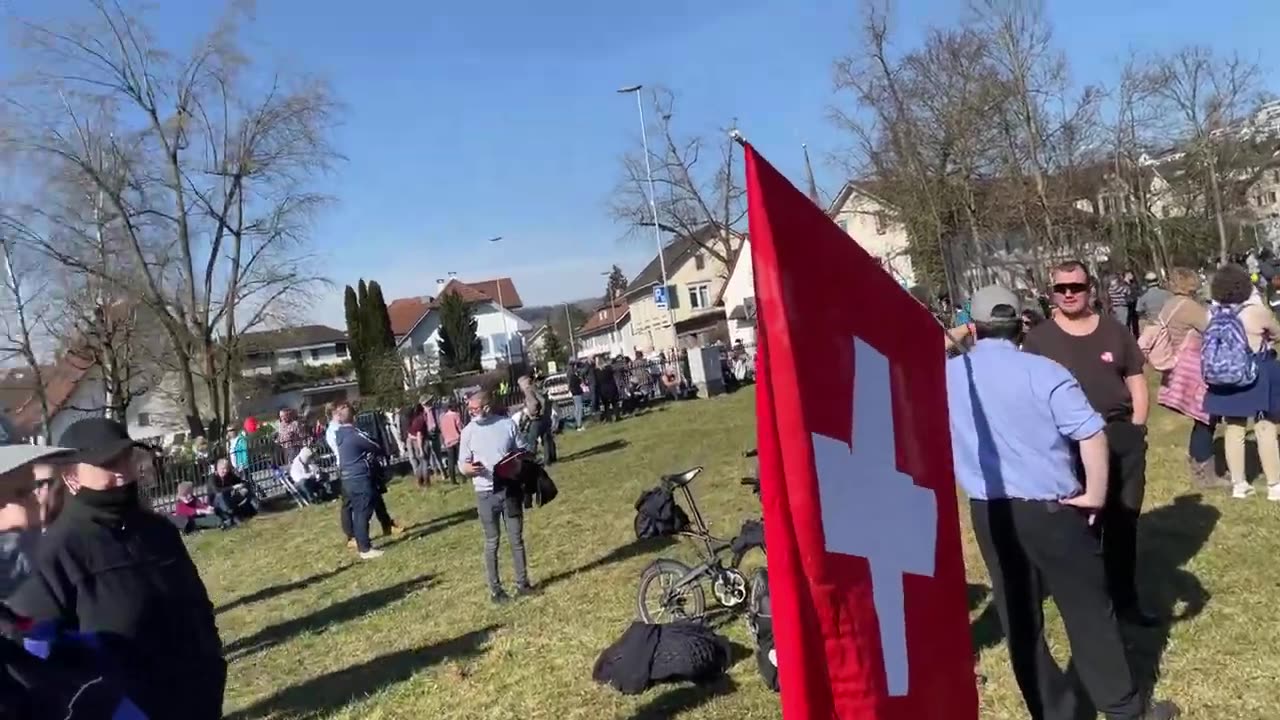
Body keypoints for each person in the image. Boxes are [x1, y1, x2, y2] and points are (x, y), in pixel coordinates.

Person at [945, 286, 1179, 720]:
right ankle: (1124, 709)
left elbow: (928, 347)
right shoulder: (1044, 372)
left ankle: (1054, 712)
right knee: (1087, 609)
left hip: (990, 511)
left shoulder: (950, 375)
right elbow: (1090, 433)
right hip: (1053, 509)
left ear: (974, 327)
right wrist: (1094, 493)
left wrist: (965, 330)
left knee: (1020, 618)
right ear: (1023, 324)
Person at [6, 418, 226, 720]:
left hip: (197, 701)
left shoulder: (159, 531)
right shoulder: (54, 553)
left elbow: (198, 605)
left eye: (125, 458)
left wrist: (212, 663)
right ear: (71, 475)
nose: (122, 473)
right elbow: (35, 660)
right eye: (107, 463)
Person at [1022, 260, 1157, 627]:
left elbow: (1136, 379)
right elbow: (1029, 396)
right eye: (1061, 288)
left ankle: (1126, 602)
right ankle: (1094, 611)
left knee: (1123, 524)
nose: (1068, 294)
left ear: (1091, 290)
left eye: (1076, 287)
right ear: (1050, 293)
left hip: (1120, 437)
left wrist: (1138, 428)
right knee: (1080, 530)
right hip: (1069, 446)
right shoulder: (1038, 340)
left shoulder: (1115, 332)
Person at [1202, 263, 1280, 502]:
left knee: (1234, 429)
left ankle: (1239, 483)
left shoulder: (1212, 314)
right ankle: (1274, 485)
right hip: (1255, 372)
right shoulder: (1255, 311)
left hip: (1224, 377)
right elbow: (1276, 333)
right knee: (1264, 427)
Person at [1152, 268, 1229, 490]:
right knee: (1206, 418)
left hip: (1178, 366)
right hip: (1194, 368)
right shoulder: (1189, 307)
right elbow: (1213, 329)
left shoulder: (1169, 305)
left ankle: (1199, 468)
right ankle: (1205, 473)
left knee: (1202, 419)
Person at [458, 390, 534, 603]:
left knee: (516, 539)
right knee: (492, 542)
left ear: (487, 407)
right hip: (485, 493)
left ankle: (523, 584)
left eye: (475, 408)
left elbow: (523, 449)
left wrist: (517, 463)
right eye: (469, 409)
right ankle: (496, 590)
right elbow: (462, 463)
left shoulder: (507, 424)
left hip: (509, 490)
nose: (471, 412)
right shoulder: (468, 432)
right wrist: (468, 469)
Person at [334, 403, 392, 560]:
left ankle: (362, 544)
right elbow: (375, 445)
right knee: (363, 512)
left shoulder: (340, 434)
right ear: (354, 417)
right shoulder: (354, 434)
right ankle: (365, 548)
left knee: (358, 511)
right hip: (359, 477)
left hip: (347, 478)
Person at [519, 375, 556, 465]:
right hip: (545, 417)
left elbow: (534, 403)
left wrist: (531, 413)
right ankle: (549, 459)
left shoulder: (528, 390)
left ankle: (531, 461)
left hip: (536, 418)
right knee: (546, 438)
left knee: (532, 440)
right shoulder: (535, 387)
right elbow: (543, 400)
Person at [207, 458, 256, 524]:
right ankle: (233, 516)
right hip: (216, 504)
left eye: (227, 468)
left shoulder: (229, 475)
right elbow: (216, 491)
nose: (225, 471)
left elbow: (240, 481)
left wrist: (244, 485)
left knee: (245, 490)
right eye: (223, 469)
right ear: (217, 469)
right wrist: (233, 487)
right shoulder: (212, 478)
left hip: (229, 500)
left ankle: (254, 508)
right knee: (221, 495)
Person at [406, 403, 436, 487]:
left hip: (415, 442)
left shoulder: (414, 420)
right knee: (425, 462)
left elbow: (410, 433)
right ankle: (426, 482)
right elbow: (419, 435)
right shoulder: (421, 420)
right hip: (422, 442)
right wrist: (421, 449)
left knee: (421, 463)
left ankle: (419, 480)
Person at [440, 400, 464, 483]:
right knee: (459, 459)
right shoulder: (456, 415)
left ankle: (453, 479)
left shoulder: (443, 417)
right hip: (457, 439)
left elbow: (442, 430)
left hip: (448, 441)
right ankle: (462, 477)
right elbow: (460, 427)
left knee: (450, 461)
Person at [566, 362, 585, 431]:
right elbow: (579, 382)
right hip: (577, 393)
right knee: (579, 409)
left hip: (574, 394)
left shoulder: (570, 376)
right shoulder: (573, 376)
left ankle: (577, 424)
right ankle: (579, 425)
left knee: (577, 408)